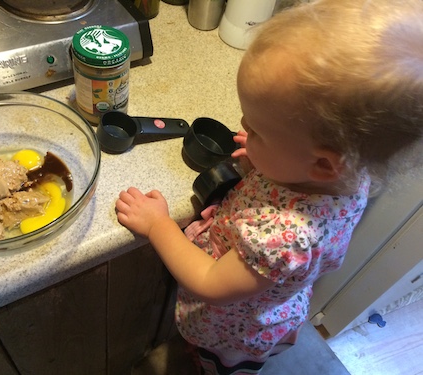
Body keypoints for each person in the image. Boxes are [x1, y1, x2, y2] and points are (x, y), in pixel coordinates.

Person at [115, 0, 423, 374]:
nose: (244, 129)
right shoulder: (347, 176)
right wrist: (268, 152)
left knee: (215, 364)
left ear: (323, 163)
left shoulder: (286, 236)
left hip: (234, 328)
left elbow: (209, 281)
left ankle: (209, 365)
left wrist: (157, 224)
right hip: (269, 296)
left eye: (258, 131)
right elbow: (292, 176)